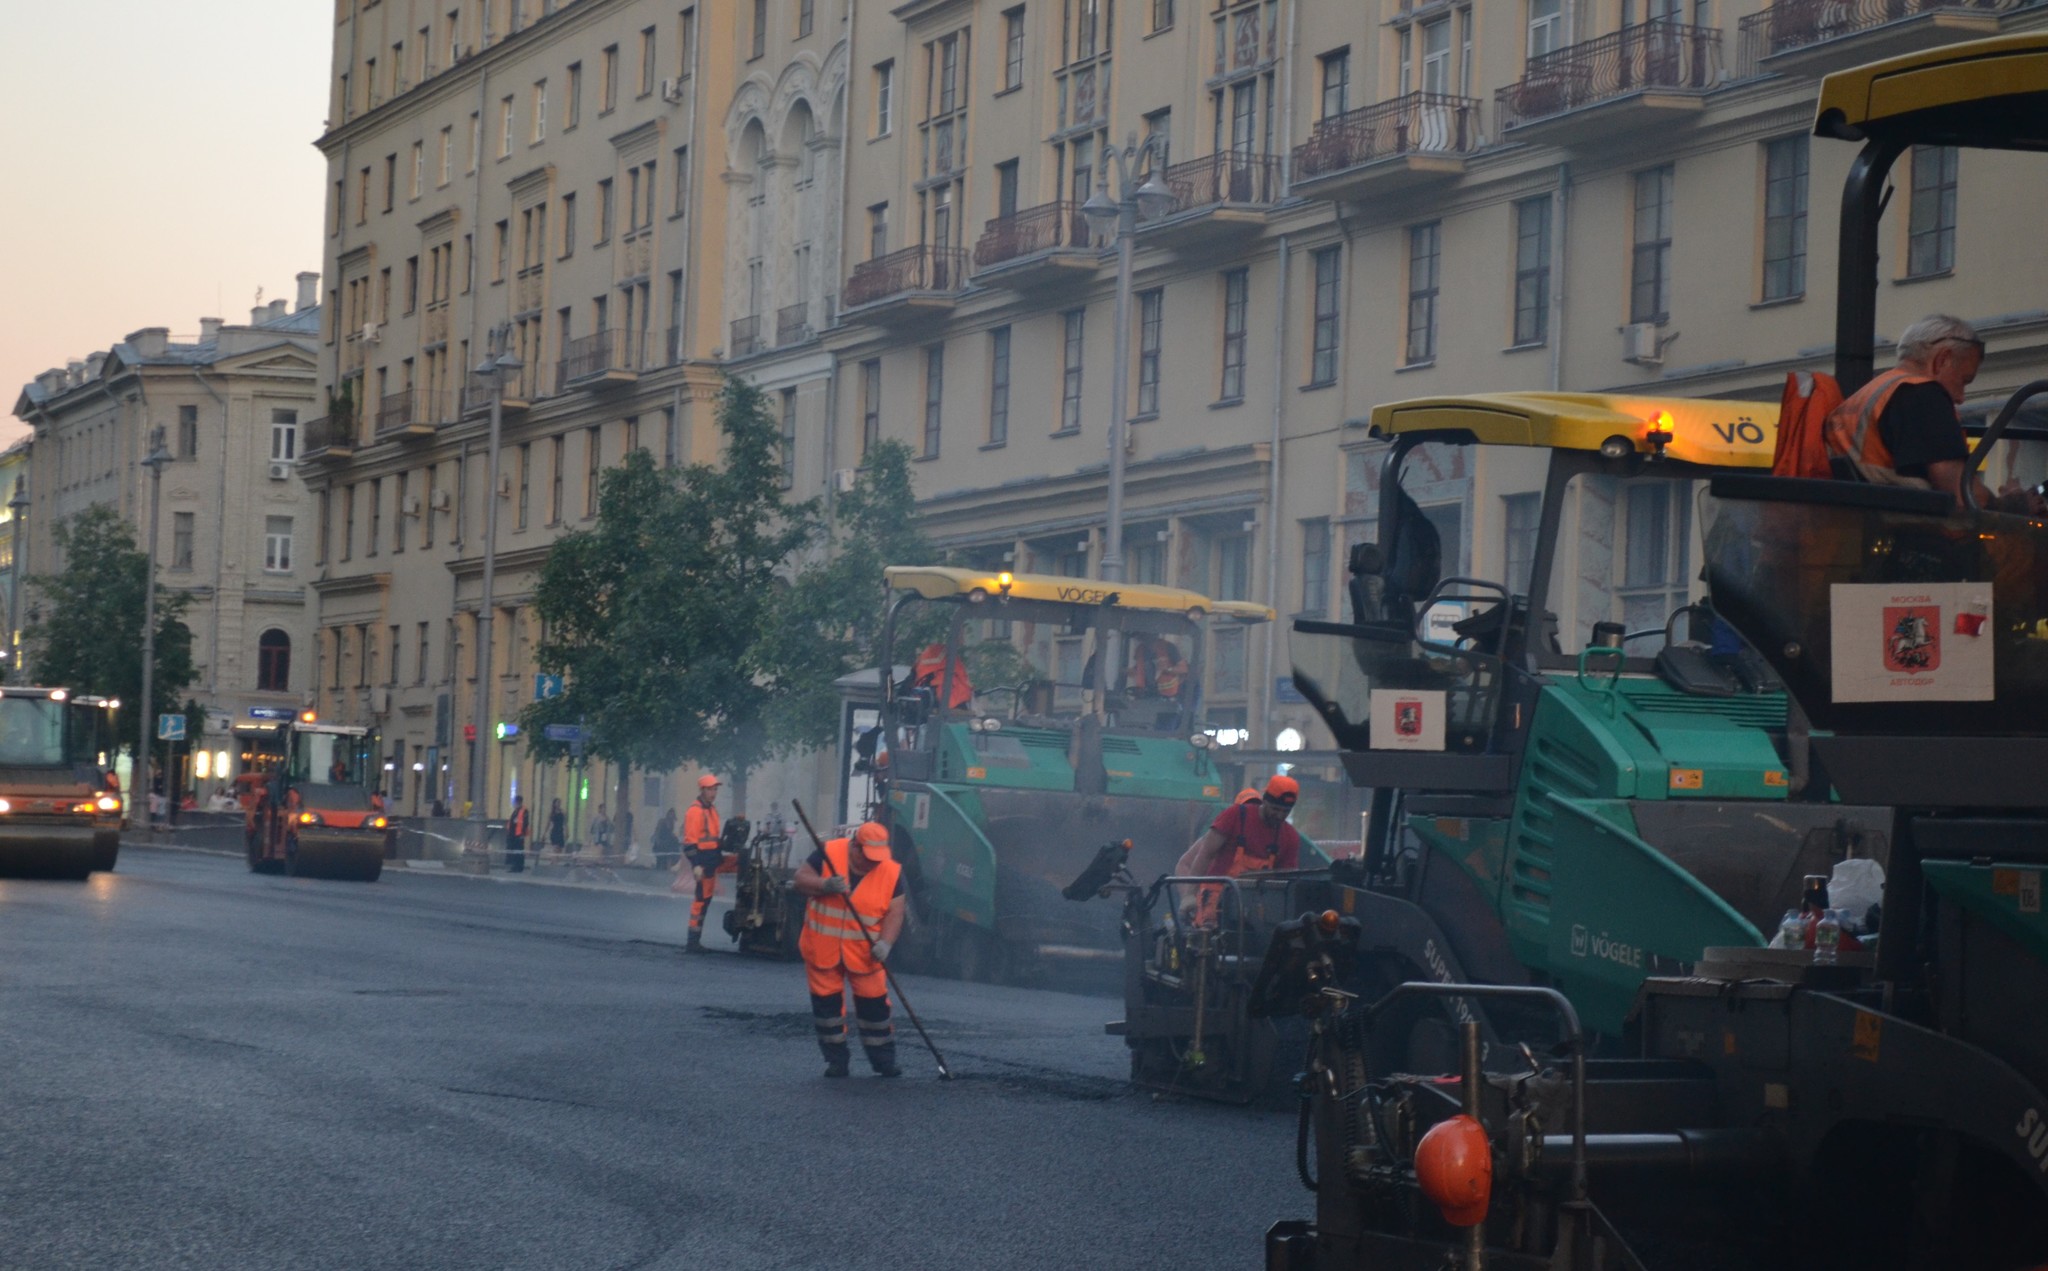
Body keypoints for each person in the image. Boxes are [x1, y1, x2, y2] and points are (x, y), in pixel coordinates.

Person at [1826, 313, 2046, 512]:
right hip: (1912, 535)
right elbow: (1962, 496)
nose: (1960, 398)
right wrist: (2010, 505)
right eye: (1963, 381)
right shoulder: (1922, 394)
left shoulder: (1871, 393)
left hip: (1867, 525)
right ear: (1942, 359)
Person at [793, 821, 907, 1079]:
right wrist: (824, 885)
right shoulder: (828, 853)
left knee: (875, 1007)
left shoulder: (890, 872)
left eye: (877, 859)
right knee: (828, 1010)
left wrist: (886, 944)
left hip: (865, 953)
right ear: (855, 846)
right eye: (868, 858)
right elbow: (800, 880)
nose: (872, 864)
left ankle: (884, 1062)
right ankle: (836, 1062)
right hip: (823, 949)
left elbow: (895, 912)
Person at [1177, 774, 1306, 926]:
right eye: (1275, 809)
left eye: (1285, 811)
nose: (1279, 815)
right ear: (1265, 800)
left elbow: (1287, 881)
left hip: (1257, 909)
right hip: (1215, 903)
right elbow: (1205, 854)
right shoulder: (1235, 816)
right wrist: (1189, 895)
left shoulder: (1290, 837)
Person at [678, 776, 726, 953]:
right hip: (703, 863)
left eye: (715, 789)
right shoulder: (695, 812)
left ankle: (696, 940)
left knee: (706, 900)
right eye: (710, 789)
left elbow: (713, 839)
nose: (713, 793)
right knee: (700, 901)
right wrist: (696, 865)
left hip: (711, 862)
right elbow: (690, 844)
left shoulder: (712, 810)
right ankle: (692, 942)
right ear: (702, 790)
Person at [505, 794, 529, 873]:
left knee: (518, 851)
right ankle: (515, 866)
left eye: (514, 802)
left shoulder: (523, 811)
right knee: (515, 851)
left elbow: (525, 823)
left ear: (518, 802)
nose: (513, 803)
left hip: (519, 834)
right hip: (514, 834)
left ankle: (518, 866)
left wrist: (522, 834)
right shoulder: (516, 811)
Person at [651, 806, 680, 871]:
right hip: (661, 842)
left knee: (668, 856)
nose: (671, 816)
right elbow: (657, 831)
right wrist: (657, 841)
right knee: (660, 858)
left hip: (667, 843)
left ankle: (667, 869)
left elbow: (670, 833)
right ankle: (658, 870)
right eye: (670, 814)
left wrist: (674, 836)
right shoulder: (662, 821)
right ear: (668, 814)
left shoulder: (672, 823)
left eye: (672, 814)